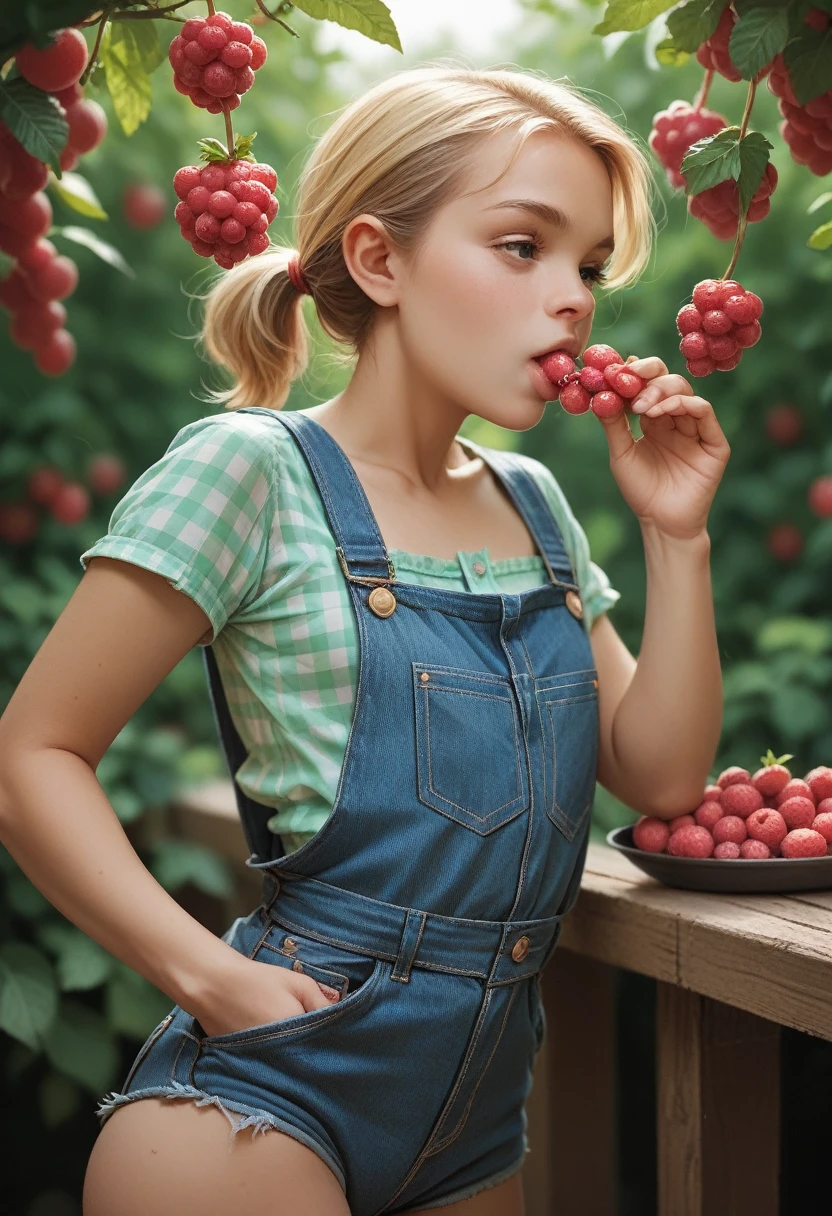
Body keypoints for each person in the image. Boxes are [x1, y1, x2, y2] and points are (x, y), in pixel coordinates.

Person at [0, 63, 729, 1216]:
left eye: (587, 265)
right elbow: (31, 754)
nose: (574, 298)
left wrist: (673, 536)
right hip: (260, 1106)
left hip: (480, 1117)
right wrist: (208, 974)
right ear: (381, 259)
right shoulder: (248, 471)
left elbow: (658, 774)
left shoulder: (534, 501)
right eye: (521, 246)